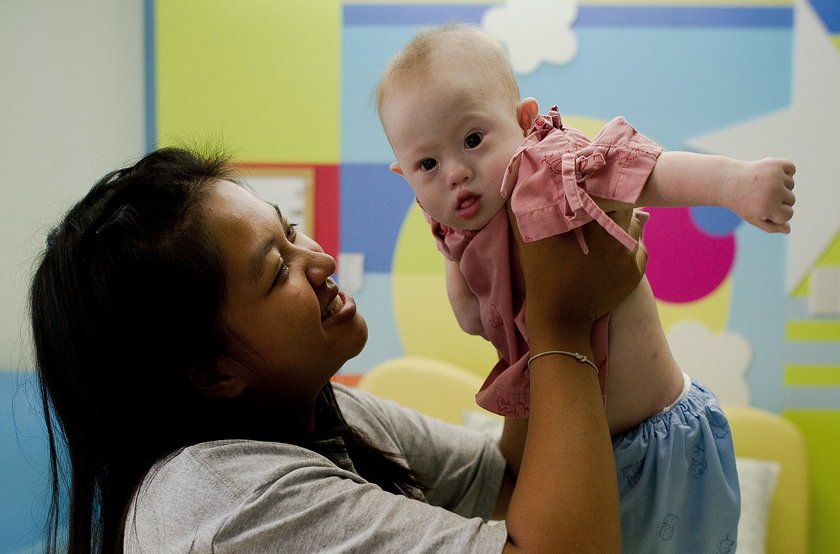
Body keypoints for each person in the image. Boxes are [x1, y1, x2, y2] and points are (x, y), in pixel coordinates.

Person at [30, 146, 648, 552]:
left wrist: (514, 305)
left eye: (290, 230)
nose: (321, 260)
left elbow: (506, 481)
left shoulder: (322, 409)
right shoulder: (231, 503)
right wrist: (562, 323)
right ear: (213, 374)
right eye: (277, 271)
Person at [376, 24, 795, 551]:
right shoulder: (459, 231)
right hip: (583, 457)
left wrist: (731, 184)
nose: (456, 173)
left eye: (473, 140)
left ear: (525, 123)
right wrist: (454, 248)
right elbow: (470, 317)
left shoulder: (549, 171)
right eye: (427, 165)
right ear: (404, 174)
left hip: (660, 435)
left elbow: (641, 171)